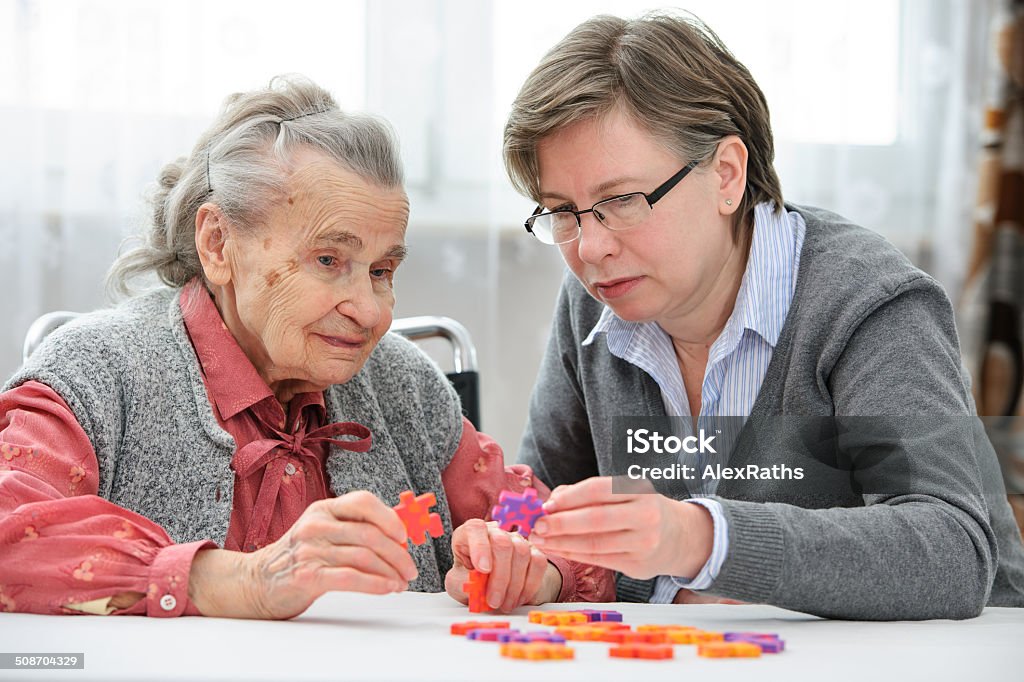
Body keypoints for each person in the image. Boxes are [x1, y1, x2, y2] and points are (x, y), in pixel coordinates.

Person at [0, 76, 611, 619]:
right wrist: (240, 581)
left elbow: (539, 519)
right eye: (328, 260)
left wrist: (531, 563)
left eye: (381, 270)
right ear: (218, 244)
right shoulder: (97, 374)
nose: (369, 312)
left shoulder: (406, 389)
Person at [500, 12, 1024, 619]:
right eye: (563, 212)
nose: (590, 250)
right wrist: (516, 554)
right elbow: (543, 506)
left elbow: (952, 551)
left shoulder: (867, 301)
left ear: (726, 174)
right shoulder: (596, 297)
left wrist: (699, 537)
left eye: (620, 201)